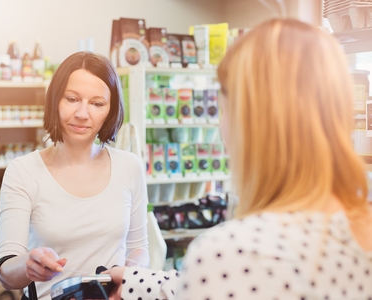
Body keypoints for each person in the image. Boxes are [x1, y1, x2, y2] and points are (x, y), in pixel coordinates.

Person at [107, 18, 372, 300]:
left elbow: (235, 274)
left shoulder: (236, 252)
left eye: (224, 108)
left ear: (249, 119)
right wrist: (141, 283)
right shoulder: (357, 225)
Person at [0, 52, 150, 300]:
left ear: (110, 110)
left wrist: (133, 272)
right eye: (72, 99)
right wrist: (27, 265)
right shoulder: (24, 170)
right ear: (55, 100)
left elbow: (139, 247)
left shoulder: (129, 166)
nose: (82, 113)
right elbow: (4, 270)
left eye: (97, 103)